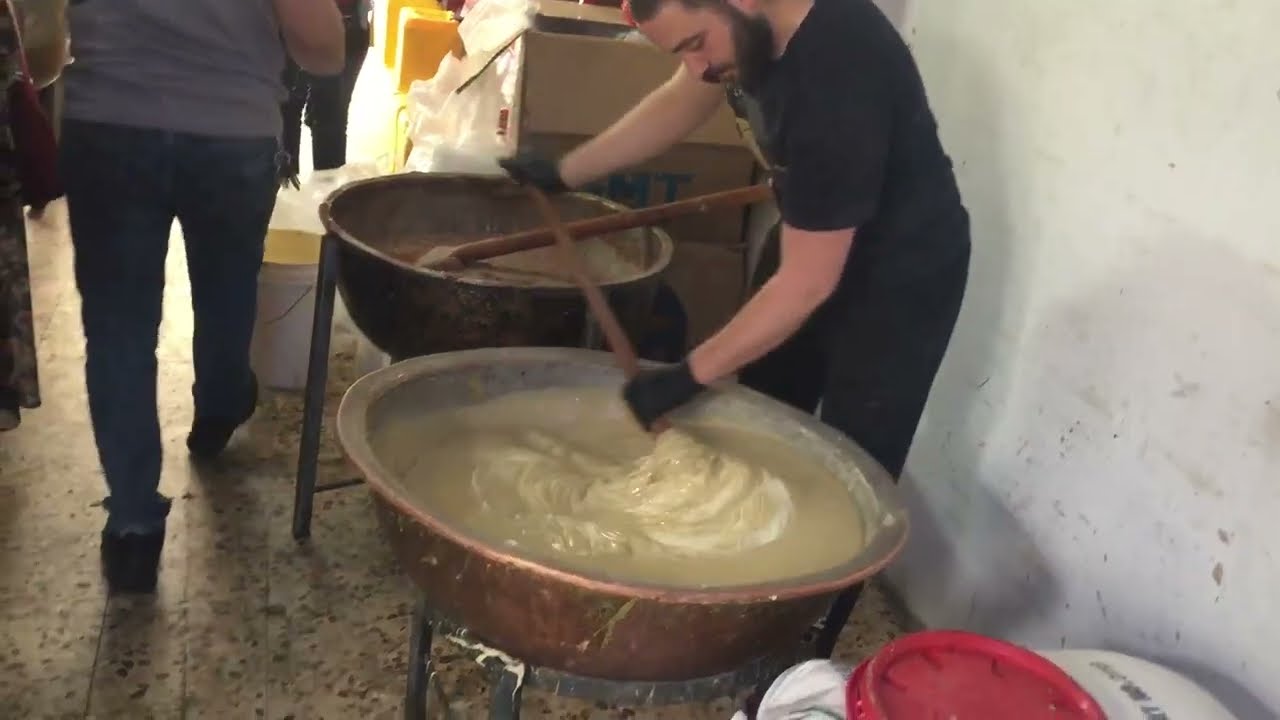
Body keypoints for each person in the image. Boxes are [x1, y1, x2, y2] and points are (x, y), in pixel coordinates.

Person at [499, 0, 970, 657]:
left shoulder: (833, 70)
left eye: (696, 43)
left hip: (900, 276)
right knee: (767, 422)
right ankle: (740, 600)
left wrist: (688, 375)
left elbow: (808, 285)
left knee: (853, 474)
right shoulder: (743, 32)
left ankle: (803, 654)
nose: (698, 65)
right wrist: (566, 170)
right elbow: (684, 97)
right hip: (815, 238)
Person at [59, 0, 345, 595]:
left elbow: (36, 39)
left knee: (117, 330)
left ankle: (132, 526)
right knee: (228, 287)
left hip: (107, 122)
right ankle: (218, 406)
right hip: (230, 129)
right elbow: (322, 45)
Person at [280, 0, 371, 179]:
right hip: (300, 27)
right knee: (295, 117)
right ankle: (289, 194)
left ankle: (323, 195)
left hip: (348, 30)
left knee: (328, 121)